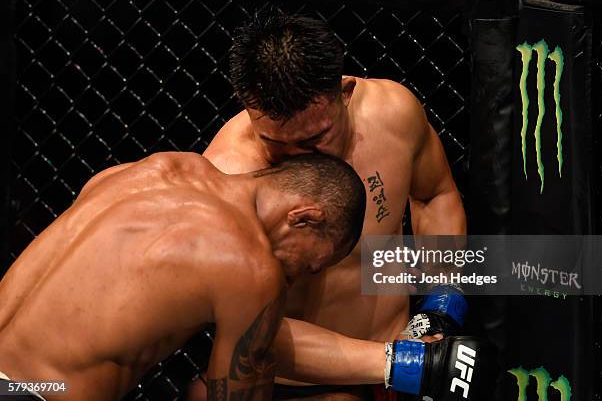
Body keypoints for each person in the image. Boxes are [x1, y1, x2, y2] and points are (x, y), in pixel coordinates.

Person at [200, 9, 470, 400]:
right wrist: (398, 363)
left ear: (345, 93)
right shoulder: (228, 180)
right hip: (292, 385)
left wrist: (442, 294)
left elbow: (434, 195)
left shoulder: (392, 115)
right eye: (275, 143)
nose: (296, 156)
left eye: (314, 139)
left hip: (403, 358)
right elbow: (251, 329)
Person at [0, 152, 366, 400]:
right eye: (310, 265)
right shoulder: (251, 266)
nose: (297, 278)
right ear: (305, 217)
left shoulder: (152, 169)